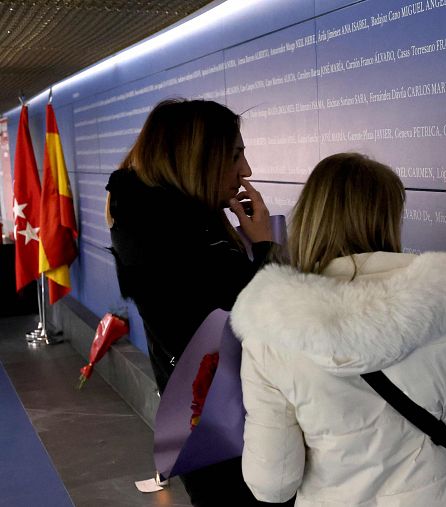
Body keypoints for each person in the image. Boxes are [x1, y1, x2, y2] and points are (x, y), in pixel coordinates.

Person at [230, 152, 446, 506]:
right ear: (387, 218)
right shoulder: (441, 301)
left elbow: (273, 484)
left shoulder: (270, 330)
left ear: (310, 217)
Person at [105, 99, 291, 506]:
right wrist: (262, 248)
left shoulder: (175, 224)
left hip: (216, 426)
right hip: (222, 436)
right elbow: (247, 320)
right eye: (236, 155)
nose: (247, 171)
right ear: (201, 157)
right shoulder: (165, 238)